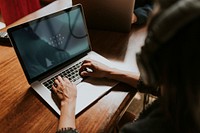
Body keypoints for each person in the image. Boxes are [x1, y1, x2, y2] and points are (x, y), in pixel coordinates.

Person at [51, 0, 200, 132]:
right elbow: (161, 88)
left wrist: (67, 104)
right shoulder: (188, 96)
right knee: (122, 118)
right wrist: (111, 72)